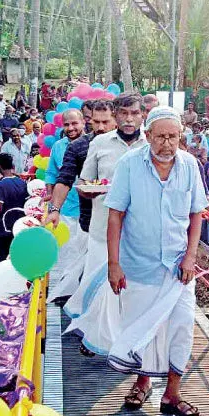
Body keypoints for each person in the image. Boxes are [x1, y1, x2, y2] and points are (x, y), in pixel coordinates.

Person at [72, 106, 206, 416]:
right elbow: (115, 215)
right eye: (160, 137)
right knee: (141, 328)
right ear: (148, 137)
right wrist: (113, 264)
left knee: (182, 328)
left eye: (173, 136)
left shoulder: (189, 165)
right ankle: (142, 383)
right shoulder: (130, 164)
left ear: (180, 137)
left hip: (177, 270)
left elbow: (196, 213)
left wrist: (190, 257)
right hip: (138, 267)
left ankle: (172, 395)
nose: (167, 143)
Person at [62, 94, 146, 327]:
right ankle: (94, 331)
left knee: (134, 287)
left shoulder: (150, 144)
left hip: (140, 231)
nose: (129, 119)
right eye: (124, 113)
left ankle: (126, 335)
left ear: (142, 116)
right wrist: (87, 190)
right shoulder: (99, 143)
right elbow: (85, 181)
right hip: (102, 225)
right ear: (115, 115)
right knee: (98, 284)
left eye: (135, 114)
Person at [44, 109, 90, 301]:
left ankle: (84, 291)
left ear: (83, 123)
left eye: (74, 124)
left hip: (91, 209)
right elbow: (52, 173)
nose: (71, 128)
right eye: (66, 125)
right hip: (67, 208)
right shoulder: (58, 147)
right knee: (67, 250)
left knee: (87, 252)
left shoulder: (94, 144)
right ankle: (67, 291)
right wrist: (50, 195)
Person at [0, 153, 29, 261]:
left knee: (4, 256)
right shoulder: (21, 182)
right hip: (19, 224)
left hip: (4, 226)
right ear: (12, 166)